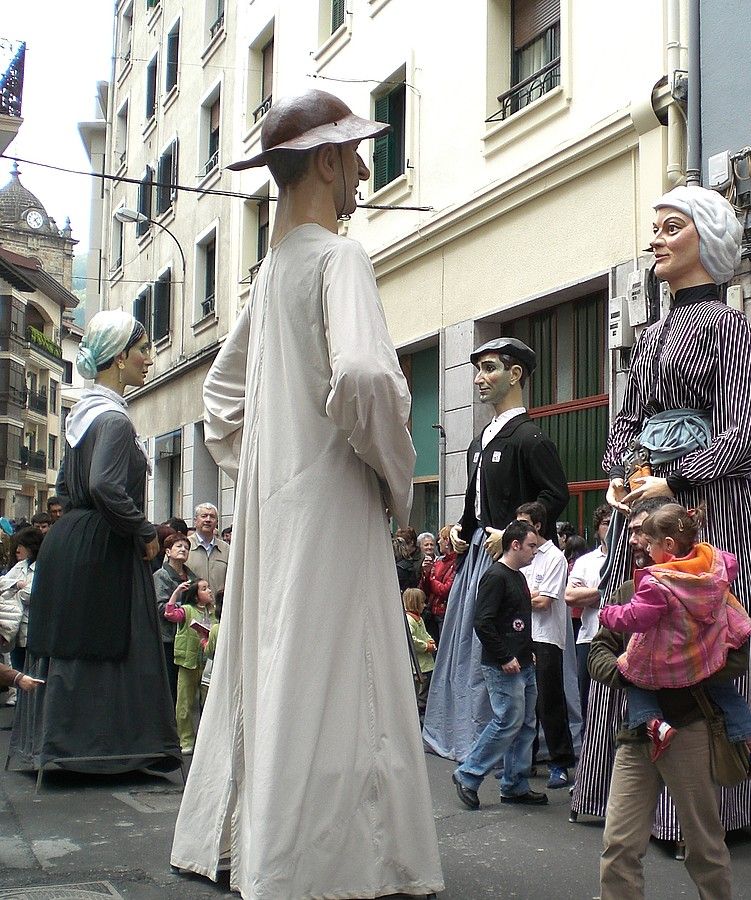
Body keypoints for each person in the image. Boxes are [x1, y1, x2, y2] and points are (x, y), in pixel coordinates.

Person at [170, 90, 443, 898]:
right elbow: (363, 376)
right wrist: (392, 473)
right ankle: (324, 863)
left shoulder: (269, 274)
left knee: (276, 663)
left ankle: (255, 847)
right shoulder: (337, 257)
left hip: (278, 506)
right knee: (338, 669)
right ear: (326, 161)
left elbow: (220, 403)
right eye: (355, 155)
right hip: (331, 500)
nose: (363, 169)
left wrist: (266, 469)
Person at [573, 185, 751, 837]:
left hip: (706, 504)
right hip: (644, 505)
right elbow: (626, 420)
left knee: (709, 625)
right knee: (641, 631)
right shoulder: (650, 334)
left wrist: (675, 476)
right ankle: (627, 791)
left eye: (673, 227)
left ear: (707, 236)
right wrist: (624, 472)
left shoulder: (727, 325)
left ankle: (734, 800)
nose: (657, 240)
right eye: (656, 229)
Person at [9, 310, 180, 776]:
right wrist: (143, 530)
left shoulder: (81, 420)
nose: (148, 359)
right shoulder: (115, 422)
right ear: (119, 357)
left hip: (70, 543)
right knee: (114, 637)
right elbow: (107, 486)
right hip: (104, 546)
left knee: (70, 641)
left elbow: (66, 489)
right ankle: (103, 749)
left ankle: (56, 745)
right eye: (142, 350)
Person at [423, 336, 568, 761]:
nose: (480, 379)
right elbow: (474, 502)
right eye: (478, 370)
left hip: (521, 564)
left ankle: (527, 749)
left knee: (518, 651)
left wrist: (510, 533)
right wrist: (460, 530)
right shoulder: (479, 441)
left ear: (515, 374)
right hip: (481, 561)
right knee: (472, 648)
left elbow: (554, 495)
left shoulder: (531, 438)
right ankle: (473, 732)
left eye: (489, 369)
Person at [591, 498, 744, 900]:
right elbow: (598, 651)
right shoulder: (630, 590)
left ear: (669, 539)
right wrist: (628, 675)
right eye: (635, 530)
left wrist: (688, 668)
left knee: (704, 846)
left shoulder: (709, 588)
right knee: (619, 846)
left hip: (689, 729)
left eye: (644, 529)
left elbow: (740, 654)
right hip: (637, 734)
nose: (637, 538)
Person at [598, 503, 751, 775]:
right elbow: (730, 567)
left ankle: (654, 724)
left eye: (646, 539)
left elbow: (636, 616)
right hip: (710, 650)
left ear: (667, 544)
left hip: (673, 662)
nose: (640, 544)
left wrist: (607, 614)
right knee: (727, 692)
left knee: (634, 670)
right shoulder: (712, 567)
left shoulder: (657, 582)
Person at [452, 519, 548, 811]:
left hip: (522, 663)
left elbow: (519, 620)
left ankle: (514, 783)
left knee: (524, 724)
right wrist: (505, 656)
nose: (535, 551)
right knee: (507, 721)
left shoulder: (517, 576)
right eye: (531, 546)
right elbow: (483, 622)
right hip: (503, 666)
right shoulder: (496, 576)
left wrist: (527, 651)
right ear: (515, 545)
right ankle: (468, 774)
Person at [515, 501, 576, 790]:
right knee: (523, 699)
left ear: (538, 525)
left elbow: (544, 602)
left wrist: (519, 598)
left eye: (524, 521)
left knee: (548, 700)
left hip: (547, 637)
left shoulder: (554, 558)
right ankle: (524, 759)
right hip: (523, 634)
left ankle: (560, 762)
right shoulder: (521, 554)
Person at [163, 577, 219, 755]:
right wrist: (177, 592)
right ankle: (186, 739)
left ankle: (206, 739)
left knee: (207, 702)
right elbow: (169, 614)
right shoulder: (187, 610)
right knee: (184, 704)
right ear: (195, 596)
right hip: (188, 663)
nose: (209, 591)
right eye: (204, 589)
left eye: (208, 588)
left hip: (207, 663)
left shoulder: (213, 613)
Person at [566, 504, 611, 722]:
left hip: (619, 640)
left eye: (615, 523)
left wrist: (589, 595)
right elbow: (570, 597)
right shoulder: (586, 562)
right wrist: (602, 593)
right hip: (589, 638)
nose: (610, 528)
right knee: (587, 701)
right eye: (605, 523)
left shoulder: (631, 559)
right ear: (596, 529)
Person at [154, 531, 196, 704]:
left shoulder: (192, 577)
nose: (183, 550)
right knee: (171, 683)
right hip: (169, 637)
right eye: (178, 546)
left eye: (186, 547)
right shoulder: (161, 576)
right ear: (168, 551)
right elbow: (160, 607)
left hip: (189, 637)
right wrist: (184, 609)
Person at [0, 526, 43, 678]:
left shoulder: (42, 567)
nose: (17, 550)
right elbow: (2, 583)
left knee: (32, 675)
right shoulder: (21, 566)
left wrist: (14, 591)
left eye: (21, 546)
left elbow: (30, 594)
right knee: (18, 672)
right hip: (15, 631)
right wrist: (16, 585)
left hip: (33, 629)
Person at [187, 502, 229, 601]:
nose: (208, 520)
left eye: (212, 517)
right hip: (191, 610)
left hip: (219, 610)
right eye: (204, 516)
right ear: (195, 520)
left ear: (217, 522)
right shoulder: (184, 546)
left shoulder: (226, 549)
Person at [403, 587, 436, 714]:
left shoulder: (419, 619)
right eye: (422, 602)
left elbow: (425, 634)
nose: (425, 605)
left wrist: (431, 641)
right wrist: (426, 646)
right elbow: (412, 640)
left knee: (426, 691)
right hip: (419, 666)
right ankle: (419, 714)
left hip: (427, 664)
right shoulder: (410, 621)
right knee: (421, 693)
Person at [423, 525, 457, 641]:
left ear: (447, 540)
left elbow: (445, 590)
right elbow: (426, 589)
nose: (438, 542)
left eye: (440, 538)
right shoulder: (438, 561)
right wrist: (426, 573)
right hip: (432, 612)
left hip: (445, 614)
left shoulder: (457, 563)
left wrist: (431, 578)